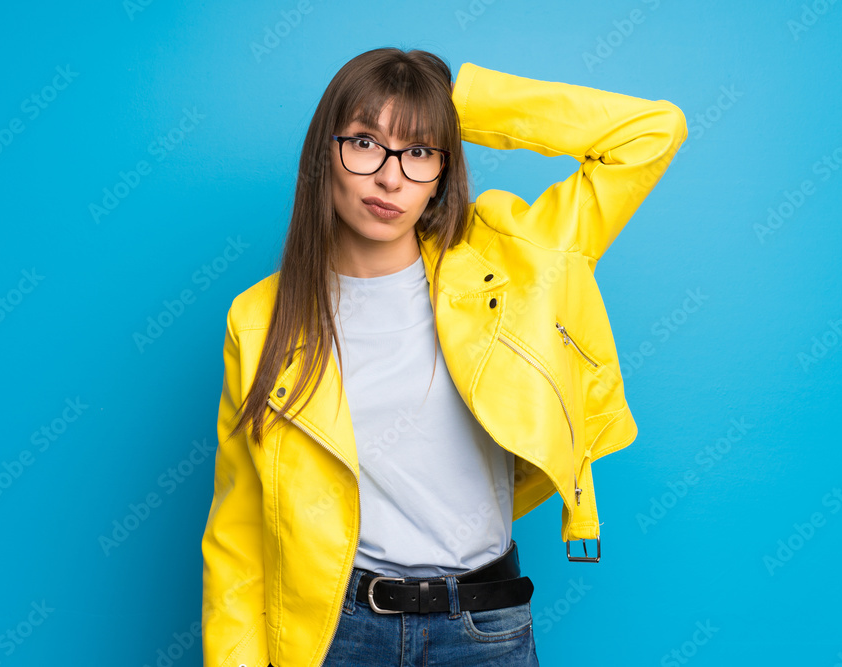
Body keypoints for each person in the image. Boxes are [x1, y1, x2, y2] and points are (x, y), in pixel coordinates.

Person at [201, 47, 686, 667]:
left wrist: (451, 102)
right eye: (365, 143)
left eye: (419, 152)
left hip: (485, 625)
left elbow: (650, 133)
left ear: (442, 170)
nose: (390, 177)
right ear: (325, 152)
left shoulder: (512, 267)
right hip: (333, 632)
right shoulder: (260, 318)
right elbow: (239, 533)